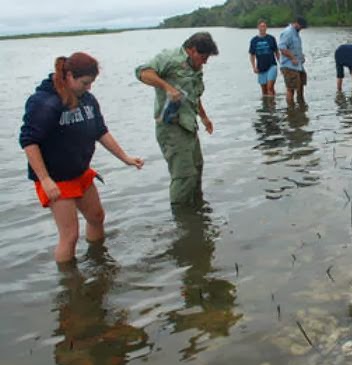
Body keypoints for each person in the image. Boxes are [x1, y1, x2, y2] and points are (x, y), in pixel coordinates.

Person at [19, 52, 144, 264]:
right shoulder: (45, 102)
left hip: (80, 171)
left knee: (97, 217)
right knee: (70, 236)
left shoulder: (87, 99)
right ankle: (71, 288)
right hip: (56, 179)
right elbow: (29, 141)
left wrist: (125, 158)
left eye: (91, 83)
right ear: (69, 76)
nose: (89, 88)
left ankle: (99, 262)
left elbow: (100, 131)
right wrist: (45, 179)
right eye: (85, 83)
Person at [135, 32, 218, 208]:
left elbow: (194, 95)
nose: (205, 62)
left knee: (196, 169)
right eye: (203, 57)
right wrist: (167, 88)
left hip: (189, 126)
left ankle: (197, 214)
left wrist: (204, 117)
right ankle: (182, 218)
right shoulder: (170, 58)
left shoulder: (196, 67)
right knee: (184, 176)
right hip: (171, 127)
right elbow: (142, 72)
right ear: (192, 50)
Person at [279, 16, 308, 104]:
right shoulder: (288, 32)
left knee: (300, 86)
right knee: (291, 89)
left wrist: (301, 56)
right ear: (296, 23)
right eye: (301, 26)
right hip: (288, 66)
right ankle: (291, 110)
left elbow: (293, 48)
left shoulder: (296, 33)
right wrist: (292, 58)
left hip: (298, 66)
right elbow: (282, 48)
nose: (302, 28)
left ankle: (301, 108)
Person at [249, 19, 280, 97]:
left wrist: (281, 63)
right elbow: (252, 55)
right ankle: (266, 106)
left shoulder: (271, 38)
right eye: (261, 26)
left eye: (264, 26)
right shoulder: (254, 40)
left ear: (266, 27)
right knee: (264, 90)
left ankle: (271, 107)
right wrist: (254, 67)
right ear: (258, 27)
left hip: (272, 65)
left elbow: (276, 52)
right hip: (261, 67)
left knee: (270, 87)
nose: (263, 28)